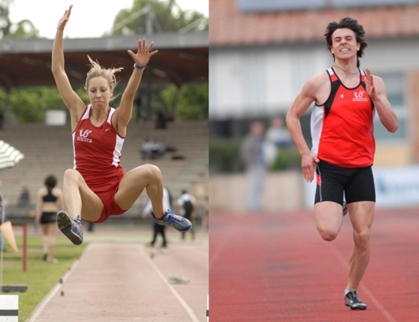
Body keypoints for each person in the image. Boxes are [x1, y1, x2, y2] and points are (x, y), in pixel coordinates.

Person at [51, 5, 191, 246]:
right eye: (93, 90)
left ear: (110, 92)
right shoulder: (78, 112)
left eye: (102, 90)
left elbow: (129, 96)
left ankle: (161, 215)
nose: (97, 95)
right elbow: (57, 70)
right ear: (86, 92)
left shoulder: (117, 119)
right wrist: (59, 32)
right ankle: (75, 224)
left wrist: (139, 67)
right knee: (69, 174)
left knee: (153, 171)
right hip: (90, 201)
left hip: (117, 194)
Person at [286, 17, 398, 310]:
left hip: (362, 168)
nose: (344, 43)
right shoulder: (320, 83)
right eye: (338, 40)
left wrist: (378, 100)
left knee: (363, 235)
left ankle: (351, 290)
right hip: (330, 168)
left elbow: (393, 126)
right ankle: (340, 205)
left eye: (349, 38)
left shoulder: (375, 83)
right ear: (331, 48)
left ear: (358, 45)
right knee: (329, 232)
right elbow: (291, 116)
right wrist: (304, 153)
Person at [35, 175, 65, 263]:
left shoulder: (41, 191)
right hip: (53, 213)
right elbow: (62, 205)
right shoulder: (58, 191)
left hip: (44, 213)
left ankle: (45, 249)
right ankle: (50, 257)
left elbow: (38, 205)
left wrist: (37, 216)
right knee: (52, 236)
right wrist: (63, 215)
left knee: (45, 234)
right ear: (55, 182)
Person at [240, 121, 267, 212]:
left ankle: (257, 204)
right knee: (253, 186)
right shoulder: (249, 139)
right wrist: (250, 163)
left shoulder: (261, 139)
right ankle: (251, 205)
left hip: (261, 165)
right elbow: (245, 152)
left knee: (260, 186)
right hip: (253, 166)